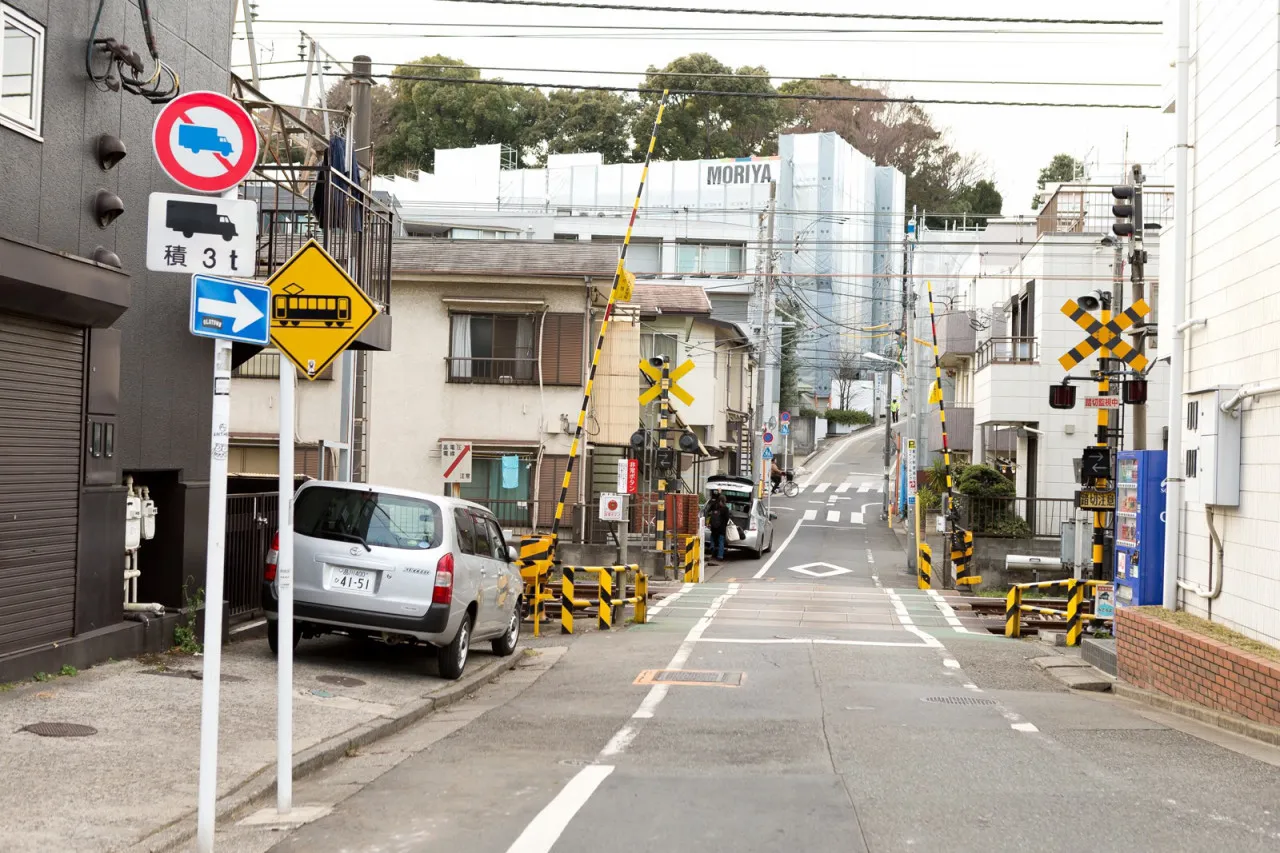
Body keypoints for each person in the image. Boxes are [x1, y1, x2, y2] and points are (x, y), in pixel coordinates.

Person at [705, 491, 729, 562]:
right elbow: (727, 519)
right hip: (721, 529)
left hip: (714, 528)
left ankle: (712, 546)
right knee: (721, 541)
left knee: (712, 538)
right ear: (724, 501)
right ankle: (720, 556)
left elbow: (710, 514)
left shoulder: (715, 507)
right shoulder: (726, 509)